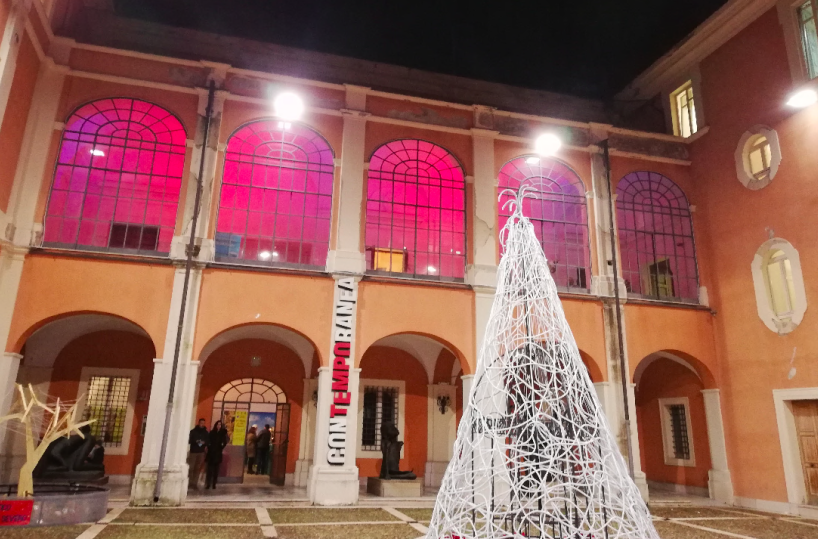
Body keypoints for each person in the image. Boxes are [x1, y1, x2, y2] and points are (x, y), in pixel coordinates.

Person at [205, 420, 228, 489]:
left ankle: (214, 483)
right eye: (218, 424)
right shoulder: (212, 433)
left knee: (216, 470)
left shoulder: (222, 434)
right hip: (211, 453)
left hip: (218, 453)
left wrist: (221, 446)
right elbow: (208, 441)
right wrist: (209, 446)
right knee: (209, 470)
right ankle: (208, 483)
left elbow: (225, 442)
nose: (219, 426)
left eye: (220, 425)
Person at [188, 418, 208, 489]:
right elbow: (189, 440)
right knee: (191, 467)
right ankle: (189, 482)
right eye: (201, 423)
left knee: (198, 468)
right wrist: (196, 441)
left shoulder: (205, 432)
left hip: (201, 452)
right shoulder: (193, 431)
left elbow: (207, 441)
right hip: (193, 451)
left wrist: (204, 442)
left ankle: (195, 483)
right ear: (198, 423)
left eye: (203, 423)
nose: (202, 424)